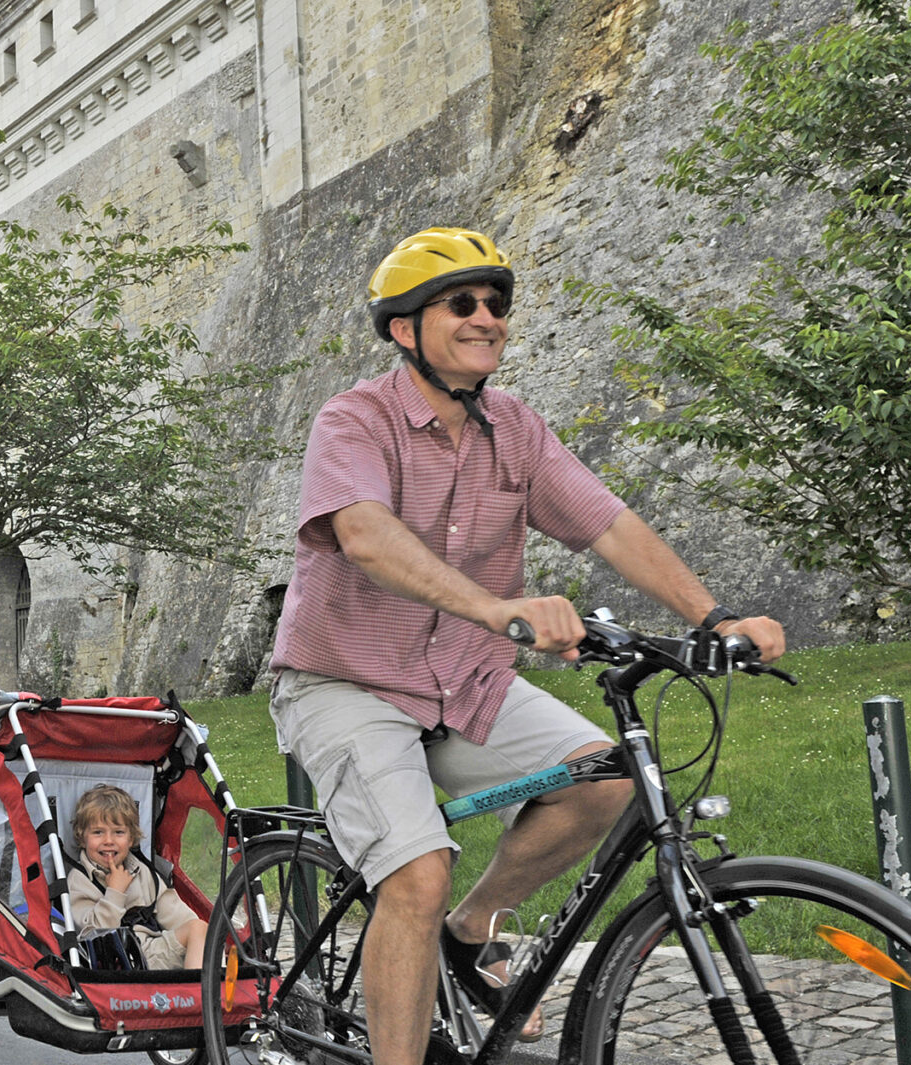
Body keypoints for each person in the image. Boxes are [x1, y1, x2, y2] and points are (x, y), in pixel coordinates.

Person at [268, 228, 786, 1061]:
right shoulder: (355, 421)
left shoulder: (515, 429)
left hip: (464, 681)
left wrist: (713, 616)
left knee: (607, 779)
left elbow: (608, 524)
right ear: (404, 329)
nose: (487, 318)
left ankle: (470, 931)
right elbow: (363, 534)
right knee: (414, 875)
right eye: (462, 303)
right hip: (346, 683)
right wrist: (495, 607)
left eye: (497, 304)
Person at [65, 784, 208, 971]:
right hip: (115, 962)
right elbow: (95, 935)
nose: (108, 841)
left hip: (151, 952)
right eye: (98, 832)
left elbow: (178, 916)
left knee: (199, 928)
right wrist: (115, 892)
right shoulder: (79, 880)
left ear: (131, 839)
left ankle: (205, 990)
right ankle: (200, 991)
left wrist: (204, 942)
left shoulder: (142, 871)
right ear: (82, 838)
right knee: (198, 932)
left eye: (118, 832)